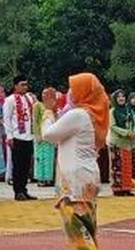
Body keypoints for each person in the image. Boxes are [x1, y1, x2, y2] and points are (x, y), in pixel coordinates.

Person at [44, 72, 108, 250]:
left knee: (79, 239)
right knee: (86, 231)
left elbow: (49, 134)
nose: (70, 92)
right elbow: (63, 131)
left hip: (75, 181)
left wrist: (48, 111)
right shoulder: (94, 116)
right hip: (86, 178)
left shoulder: (79, 114)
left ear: (83, 92)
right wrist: (56, 111)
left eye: (73, 88)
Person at [3, 77, 37, 201]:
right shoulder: (10, 100)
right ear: (15, 86)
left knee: (26, 165)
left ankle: (24, 189)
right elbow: (6, 118)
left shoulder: (29, 99)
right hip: (17, 136)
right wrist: (9, 135)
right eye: (22, 85)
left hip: (29, 135)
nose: (25, 87)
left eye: (26, 85)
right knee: (17, 165)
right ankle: (18, 191)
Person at [107, 90, 135, 196]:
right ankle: (118, 189)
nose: (121, 98)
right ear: (115, 99)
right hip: (117, 142)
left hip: (127, 143)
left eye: (123, 96)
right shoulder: (112, 111)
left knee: (127, 165)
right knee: (117, 166)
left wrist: (134, 132)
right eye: (119, 97)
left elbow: (134, 123)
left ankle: (127, 188)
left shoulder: (128, 110)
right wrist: (126, 133)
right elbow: (112, 126)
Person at [33, 86, 58, 187]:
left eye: (47, 93)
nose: (45, 95)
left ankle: (48, 179)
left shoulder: (52, 106)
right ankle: (41, 179)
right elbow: (35, 121)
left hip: (50, 137)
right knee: (41, 158)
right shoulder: (37, 105)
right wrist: (37, 134)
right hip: (41, 136)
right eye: (43, 93)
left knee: (49, 158)